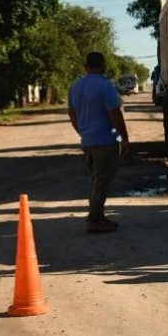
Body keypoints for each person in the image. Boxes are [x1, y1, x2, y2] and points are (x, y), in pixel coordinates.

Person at [68, 52, 130, 234]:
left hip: (88, 142)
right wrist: (124, 138)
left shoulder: (75, 87)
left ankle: (97, 216)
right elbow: (115, 113)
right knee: (102, 180)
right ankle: (95, 219)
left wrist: (83, 132)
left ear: (85, 66)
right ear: (104, 66)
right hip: (105, 141)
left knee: (95, 179)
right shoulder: (105, 86)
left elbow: (72, 114)